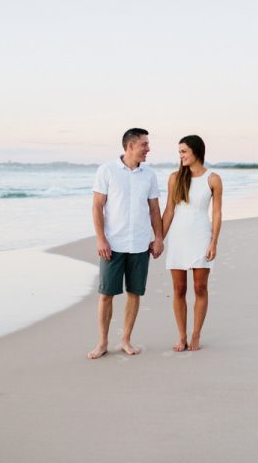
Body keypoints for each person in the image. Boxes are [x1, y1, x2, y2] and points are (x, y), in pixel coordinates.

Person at [88, 128, 164, 359]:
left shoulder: (149, 174)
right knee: (106, 294)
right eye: (144, 144)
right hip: (113, 244)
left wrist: (158, 237)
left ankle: (126, 340)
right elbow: (97, 206)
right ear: (130, 145)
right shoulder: (107, 170)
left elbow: (154, 209)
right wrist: (101, 238)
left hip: (140, 244)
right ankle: (102, 342)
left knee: (134, 293)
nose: (148, 149)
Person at [162, 135, 222, 351]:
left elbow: (216, 213)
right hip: (178, 238)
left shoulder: (212, 179)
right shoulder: (175, 178)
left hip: (201, 236)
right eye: (179, 152)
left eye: (184, 151)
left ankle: (195, 335)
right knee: (178, 288)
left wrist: (214, 242)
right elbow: (169, 211)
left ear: (196, 151)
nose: (181, 156)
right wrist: (159, 238)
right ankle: (181, 336)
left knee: (200, 287)